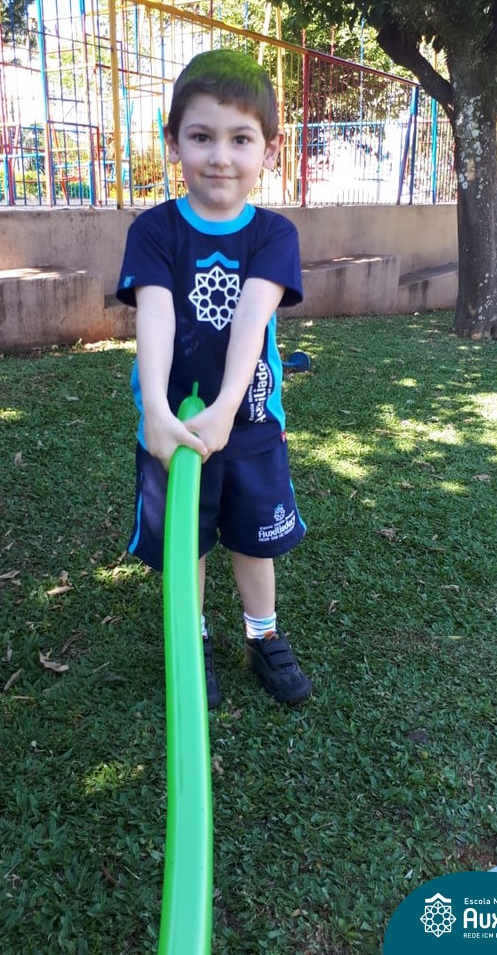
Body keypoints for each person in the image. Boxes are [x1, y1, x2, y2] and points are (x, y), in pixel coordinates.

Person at [116, 49, 312, 709]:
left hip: (249, 424)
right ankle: (191, 637)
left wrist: (228, 406)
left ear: (270, 150)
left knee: (255, 540)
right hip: (172, 429)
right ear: (173, 142)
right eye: (201, 137)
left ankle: (263, 634)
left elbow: (253, 319)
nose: (220, 157)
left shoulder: (274, 235)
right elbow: (155, 317)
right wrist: (156, 412)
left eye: (241, 139)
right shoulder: (154, 231)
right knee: (187, 541)